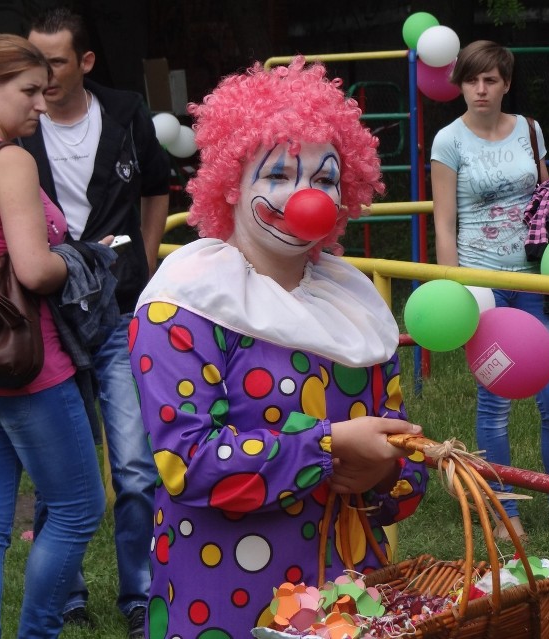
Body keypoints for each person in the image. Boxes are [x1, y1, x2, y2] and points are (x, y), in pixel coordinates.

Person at [128, 58, 429, 638]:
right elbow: (186, 463)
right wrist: (331, 444)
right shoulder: (185, 304)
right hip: (228, 595)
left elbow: (398, 447)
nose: (304, 197)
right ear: (231, 183)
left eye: (323, 179)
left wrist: (388, 469)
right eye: (279, 176)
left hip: (348, 588)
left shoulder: (353, 303)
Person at [20, 7, 169, 637]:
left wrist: (149, 253)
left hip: (120, 310)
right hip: (49, 320)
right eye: (33, 59)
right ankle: (68, 585)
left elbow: (159, 186)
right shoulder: (15, 129)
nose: (42, 74)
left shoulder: (128, 110)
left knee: (134, 464)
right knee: (62, 470)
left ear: (84, 62)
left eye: (54, 60)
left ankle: (137, 593)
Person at [430, 40, 549, 544]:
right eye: (472, 80)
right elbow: (444, 224)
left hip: (535, 277)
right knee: (495, 404)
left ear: (506, 83)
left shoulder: (530, 129)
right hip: (484, 284)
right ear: (461, 85)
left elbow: (543, 198)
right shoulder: (448, 141)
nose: (481, 89)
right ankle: (504, 511)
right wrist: (458, 288)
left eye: (491, 80)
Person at [0, 34, 106, 638]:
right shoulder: (9, 161)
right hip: (31, 362)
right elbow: (33, 269)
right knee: (81, 509)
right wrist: (83, 257)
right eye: (28, 91)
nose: (40, 104)